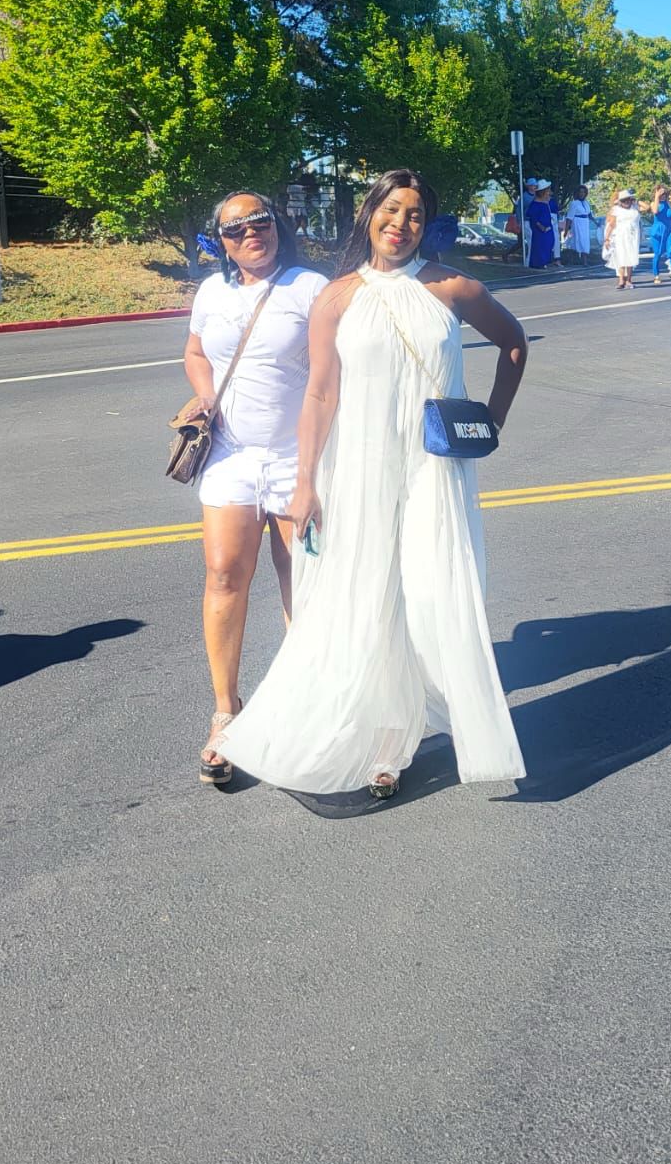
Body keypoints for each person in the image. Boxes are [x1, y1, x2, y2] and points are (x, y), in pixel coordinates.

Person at [218, 169, 529, 801]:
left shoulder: (453, 288)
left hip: (434, 472)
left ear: (426, 224)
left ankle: (425, 728)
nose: (401, 224)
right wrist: (306, 484)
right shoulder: (337, 298)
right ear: (370, 215)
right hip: (359, 470)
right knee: (370, 597)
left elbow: (514, 343)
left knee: (429, 598)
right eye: (391, 210)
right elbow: (319, 393)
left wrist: (489, 423)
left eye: (414, 214)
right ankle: (386, 740)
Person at [183, 192, 329, 784]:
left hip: (296, 457)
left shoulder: (310, 288)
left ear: (277, 225)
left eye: (260, 221)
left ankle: (302, 707)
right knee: (224, 575)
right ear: (219, 241)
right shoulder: (211, 293)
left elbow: (334, 375)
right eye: (235, 228)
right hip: (230, 456)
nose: (251, 233)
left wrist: (315, 469)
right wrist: (205, 394)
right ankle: (226, 711)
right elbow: (195, 351)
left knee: (302, 580)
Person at [603, 188, 641, 290]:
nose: (626, 202)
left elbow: (647, 208)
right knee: (621, 257)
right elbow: (611, 225)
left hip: (633, 236)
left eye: (628, 199)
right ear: (620, 202)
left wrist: (636, 201)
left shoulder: (635, 208)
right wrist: (607, 239)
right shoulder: (616, 210)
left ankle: (629, 280)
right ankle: (621, 280)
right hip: (620, 236)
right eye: (624, 200)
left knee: (631, 257)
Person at [650, 185, 671, 283]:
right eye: (661, 194)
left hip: (669, 230)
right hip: (657, 231)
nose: (663, 195)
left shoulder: (670, 204)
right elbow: (655, 211)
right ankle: (656, 275)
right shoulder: (654, 203)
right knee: (658, 253)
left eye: (665, 194)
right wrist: (657, 197)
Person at [526, 179, 557, 268]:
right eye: (547, 190)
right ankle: (538, 263)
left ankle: (544, 261)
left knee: (549, 243)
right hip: (540, 229)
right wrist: (540, 226)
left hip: (548, 227)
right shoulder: (535, 204)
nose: (548, 192)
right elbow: (533, 217)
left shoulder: (545, 202)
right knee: (540, 245)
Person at [563, 185, 594, 265]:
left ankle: (584, 261)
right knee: (576, 241)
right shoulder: (574, 203)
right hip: (577, 223)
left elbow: (589, 214)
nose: (582, 194)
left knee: (585, 241)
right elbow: (569, 217)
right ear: (577, 193)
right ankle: (572, 260)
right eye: (580, 192)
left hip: (585, 224)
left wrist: (597, 223)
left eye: (583, 192)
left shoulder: (587, 203)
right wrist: (566, 230)